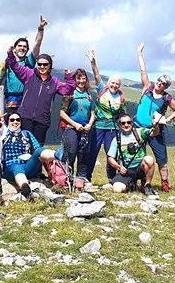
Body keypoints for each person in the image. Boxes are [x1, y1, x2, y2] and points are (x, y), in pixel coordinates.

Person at [135, 43, 175, 192]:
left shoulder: (166, 98)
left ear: (165, 87)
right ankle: (143, 180)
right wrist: (140, 54)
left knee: (161, 157)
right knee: (139, 155)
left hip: (155, 130)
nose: (159, 84)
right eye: (159, 81)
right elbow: (143, 70)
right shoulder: (147, 89)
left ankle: (164, 182)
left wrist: (167, 119)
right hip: (138, 128)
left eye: (163, 84)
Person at [5, 46, 75, 145]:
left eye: (45, 64)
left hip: (42, 120)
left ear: (50, 66)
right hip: (25, 117)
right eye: (39, 64)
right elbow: (15, 66)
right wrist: (10, 54)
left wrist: (69, 77)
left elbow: (68, 91)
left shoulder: (54, 81)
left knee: (38, 148)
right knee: (24, 145)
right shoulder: (29, 74)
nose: (42, 67)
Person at [58, 52, 98, 189]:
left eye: (83, 79)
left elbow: (93, 113)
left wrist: (90, 124)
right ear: (74, 79)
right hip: (71, 128)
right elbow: (62, 113)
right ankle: (67, 177)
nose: (81, 81)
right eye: (78, 79)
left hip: (86, 129)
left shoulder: (89, 95)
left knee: (84, 154)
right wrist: (75, 124)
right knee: (71, 152)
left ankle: (81, 178)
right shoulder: (69, 94)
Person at [0, 112, 57, 199]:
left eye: (18, 120)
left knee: (39, 151)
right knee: (16, 166)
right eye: (12, 120)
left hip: (26, 166)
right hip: (10, 167)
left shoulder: (26, 133)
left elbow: (37, 148)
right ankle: (25, 188)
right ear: (8, 122)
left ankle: (58, 154)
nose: (15, 122)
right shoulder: (3, 134)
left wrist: (29, 156)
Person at [0, 16, 48, 111]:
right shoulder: (6, 63)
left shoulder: (29, 61)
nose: (22, 48)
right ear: (14, 48)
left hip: (27, 101)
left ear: (27, 50)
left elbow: (38, 43)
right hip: (10, 102)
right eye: (19, 46)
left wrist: (41, 28)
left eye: (24, 47)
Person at [88, 50, 125, 182]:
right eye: (112, 83)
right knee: (93, 151)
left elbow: (123, 115)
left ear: (119, 85)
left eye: (117, 84)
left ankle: (112, 178)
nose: (114, 85)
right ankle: (87, 177)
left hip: (112, 128)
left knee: (111, 153)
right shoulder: (102, 90)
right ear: (108, 83)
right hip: (98, 125)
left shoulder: (121, 97)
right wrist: (93, 62)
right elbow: (96, 75)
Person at [107, 113, 158, 195]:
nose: (126, 125)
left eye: (129, 122)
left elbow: (154, 133)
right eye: (123, 123)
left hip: (140, 168)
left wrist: (156, 125)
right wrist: (119, 167)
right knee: (117, 189)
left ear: (132, 123)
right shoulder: (116, 139)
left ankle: (147, 185)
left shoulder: (140, 132)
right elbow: (110, 158)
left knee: (149, 159)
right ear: (119, 125)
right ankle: (130, 185)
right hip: (126, 171)